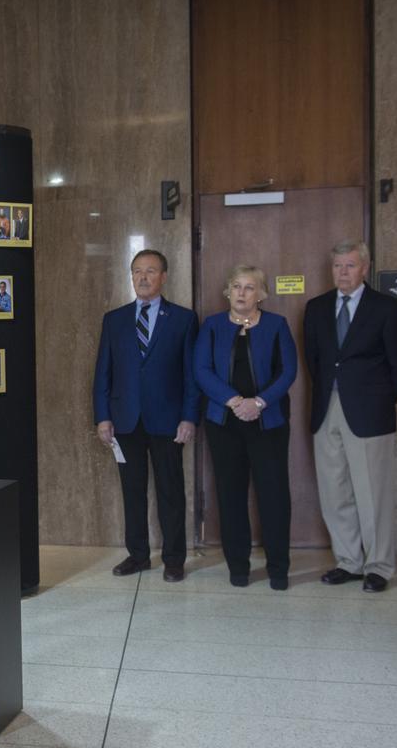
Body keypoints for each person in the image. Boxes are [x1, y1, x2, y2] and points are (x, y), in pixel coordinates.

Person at [304, 240, 397, 593]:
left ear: (364, 268)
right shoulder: (316, 308)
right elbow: (315, 361)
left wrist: (380, 401)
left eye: (350, 266)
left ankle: (378, 565)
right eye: (337, 266)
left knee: (372, 493)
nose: (343, 273)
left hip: (370, 413)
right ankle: (348, 561)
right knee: (334, 491)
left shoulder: (386, 308)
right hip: (326, 409)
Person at [92, 249, 198, 582]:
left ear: (163, 276)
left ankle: (174, 559)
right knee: (132, 491)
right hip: (125, 420)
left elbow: (191, 375)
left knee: (170, 491)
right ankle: (137, 555)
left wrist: (189, 417)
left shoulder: (183, 319)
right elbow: (102, 374)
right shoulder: (115, 319)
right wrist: (102, 417)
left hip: (168, 421)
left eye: (150, 271)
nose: (143, 277)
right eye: (137, 271)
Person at [193, 266, 297, 590]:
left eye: (249, 287)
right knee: (230, 495)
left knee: (274, 496)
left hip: (269, 423)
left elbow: (288, 371)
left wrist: (259, 403)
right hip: (224, 423)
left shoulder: (277, 326)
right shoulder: (211, 326)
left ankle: (278, 569)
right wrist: (235, 401)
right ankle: (238, 566)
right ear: (227, 291)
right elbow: (201, 370)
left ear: (261, 294)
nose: (241, 293)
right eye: (236, 286)